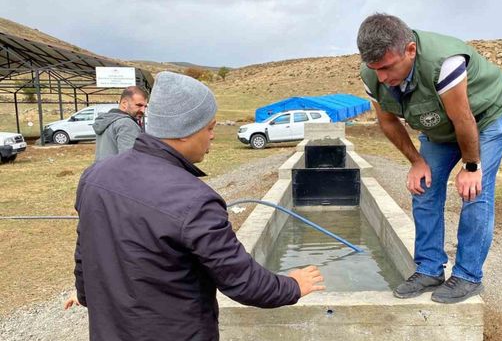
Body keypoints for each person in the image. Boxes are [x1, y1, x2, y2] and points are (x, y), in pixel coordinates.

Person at [68, 71, 324, 340]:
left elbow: (84, 250)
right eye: (210, 127)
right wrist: (293, 285)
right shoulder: (195, 200)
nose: (213, 136)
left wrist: (85, 294)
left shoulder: (95, 176)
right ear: (183, 131)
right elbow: (243, 281)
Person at [357, 13, 502, 304]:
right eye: (374, 69)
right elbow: (390, 122)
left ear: (410, 50)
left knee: (475, 192)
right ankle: (429, 268)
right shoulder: (373, 76)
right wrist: (417, 162)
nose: (382, 77)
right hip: (440, 126)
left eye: (387, 67)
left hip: (486, 116)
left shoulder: (444, 64)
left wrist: (471, 166)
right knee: (424, 187)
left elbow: (463, 118)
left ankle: (469, 276)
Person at [93, 86, 148, 161]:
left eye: (145, 106)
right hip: (117, 172)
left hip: (102, 171)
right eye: (139, 105)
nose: (143, 110)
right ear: (124, 103)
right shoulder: (126, 123)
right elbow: (130, 161)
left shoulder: (108, 120)